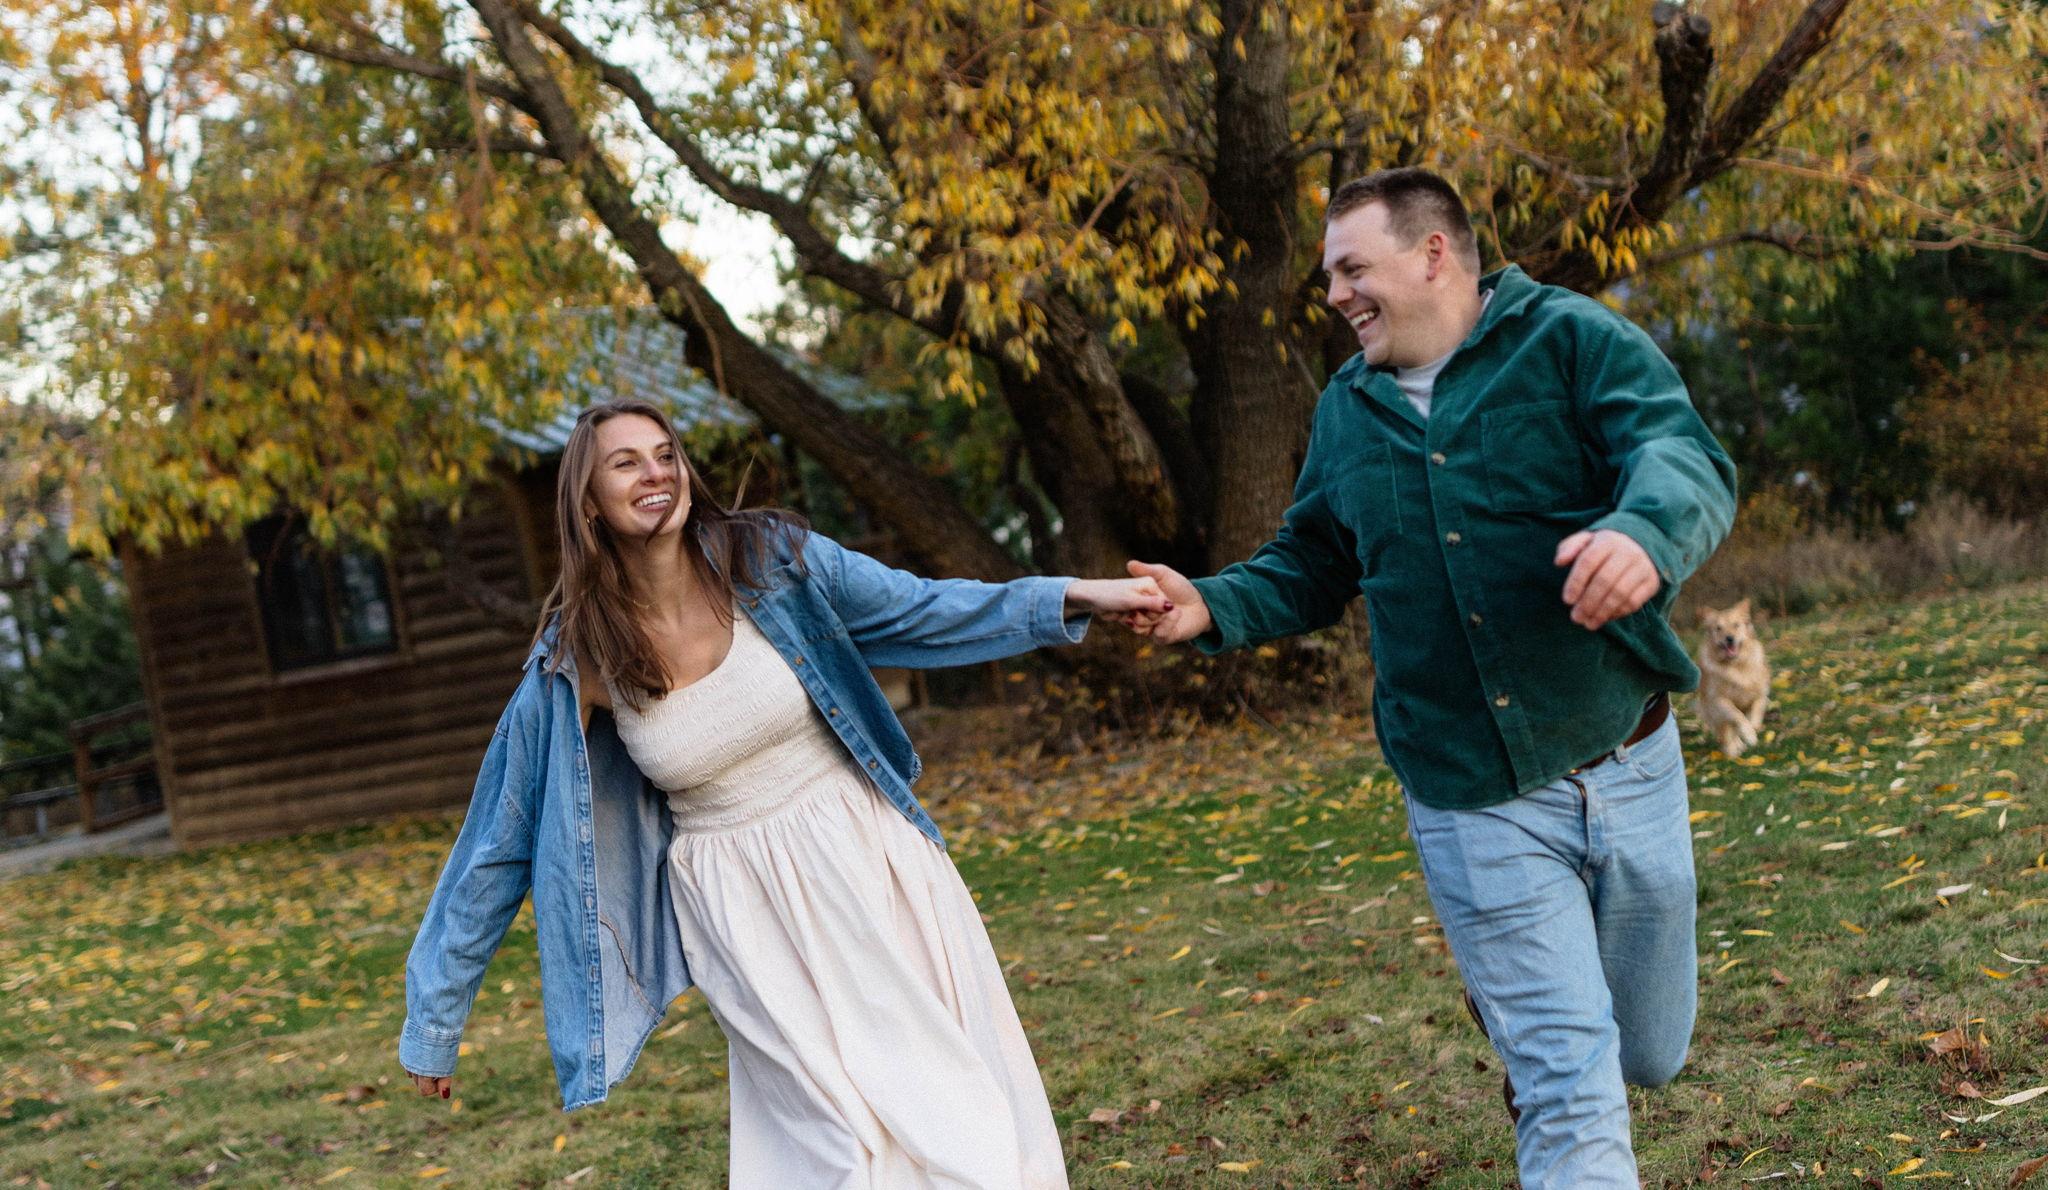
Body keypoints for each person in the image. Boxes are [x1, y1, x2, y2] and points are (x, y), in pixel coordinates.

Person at [1125, 168, 1736, 1188]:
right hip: (1467, 793)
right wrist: (1211, 605)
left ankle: (1521, 1008)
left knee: (1647, 1051)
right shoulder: (1347, 409)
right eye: (1329, 276)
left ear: (1432, 254)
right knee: (1569, 1076)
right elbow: (1313, 560)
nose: (1333, 295)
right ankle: (1535, 1027)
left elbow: (1680, 454)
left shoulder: (1570, 341)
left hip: (1623, 757)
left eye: (1350, 268)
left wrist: (1643, 533)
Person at [398, 399, 1170, 1188]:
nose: (656, 474)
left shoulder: (770, 559)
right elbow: (500, 836)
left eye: (666, 454)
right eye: (625, 463)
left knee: (942, 1101)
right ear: (587, 501)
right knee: (832, 1143)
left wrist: (1078, 595)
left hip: (865, 857)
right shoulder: (579, 655)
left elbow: (923, 608)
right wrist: (436, 1017)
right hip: (736, 907)